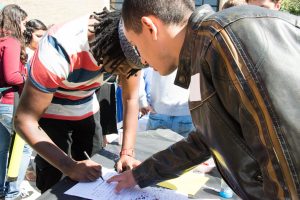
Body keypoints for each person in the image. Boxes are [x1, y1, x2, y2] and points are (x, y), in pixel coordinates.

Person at [107, 1, 300, 199]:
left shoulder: (225, 39)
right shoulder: (203, 52)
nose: (143, 61)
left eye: (137, 47)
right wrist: (140, 175)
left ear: (150, 28)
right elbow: (208, 137)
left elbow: (287, 161)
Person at [14, 8, 146, 193]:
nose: (124, 75)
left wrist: (127, 153)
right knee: (54, 183)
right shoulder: (59, 46)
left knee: (96, 180)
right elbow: (24, 120)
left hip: (87, 112)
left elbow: (131, 97)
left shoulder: (131, 46)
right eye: (121, 69)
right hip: (50, 118)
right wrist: (69, 166)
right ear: (107, 49)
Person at [0, 4, 29, 200]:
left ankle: (3, 191)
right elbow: (11, 76)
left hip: (2, 102)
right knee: (24, 146)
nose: (26, 28)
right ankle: (13, 192)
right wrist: (29, 79)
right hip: (11, 102)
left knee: (2, 149)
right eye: (24, 22)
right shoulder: (11, 42)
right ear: (16, 20)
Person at [139, 67, 194, 137]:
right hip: (185, 112)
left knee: (153, 146)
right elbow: (197, 74)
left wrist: (142, 101)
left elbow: (139, 68)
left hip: (161, 110)